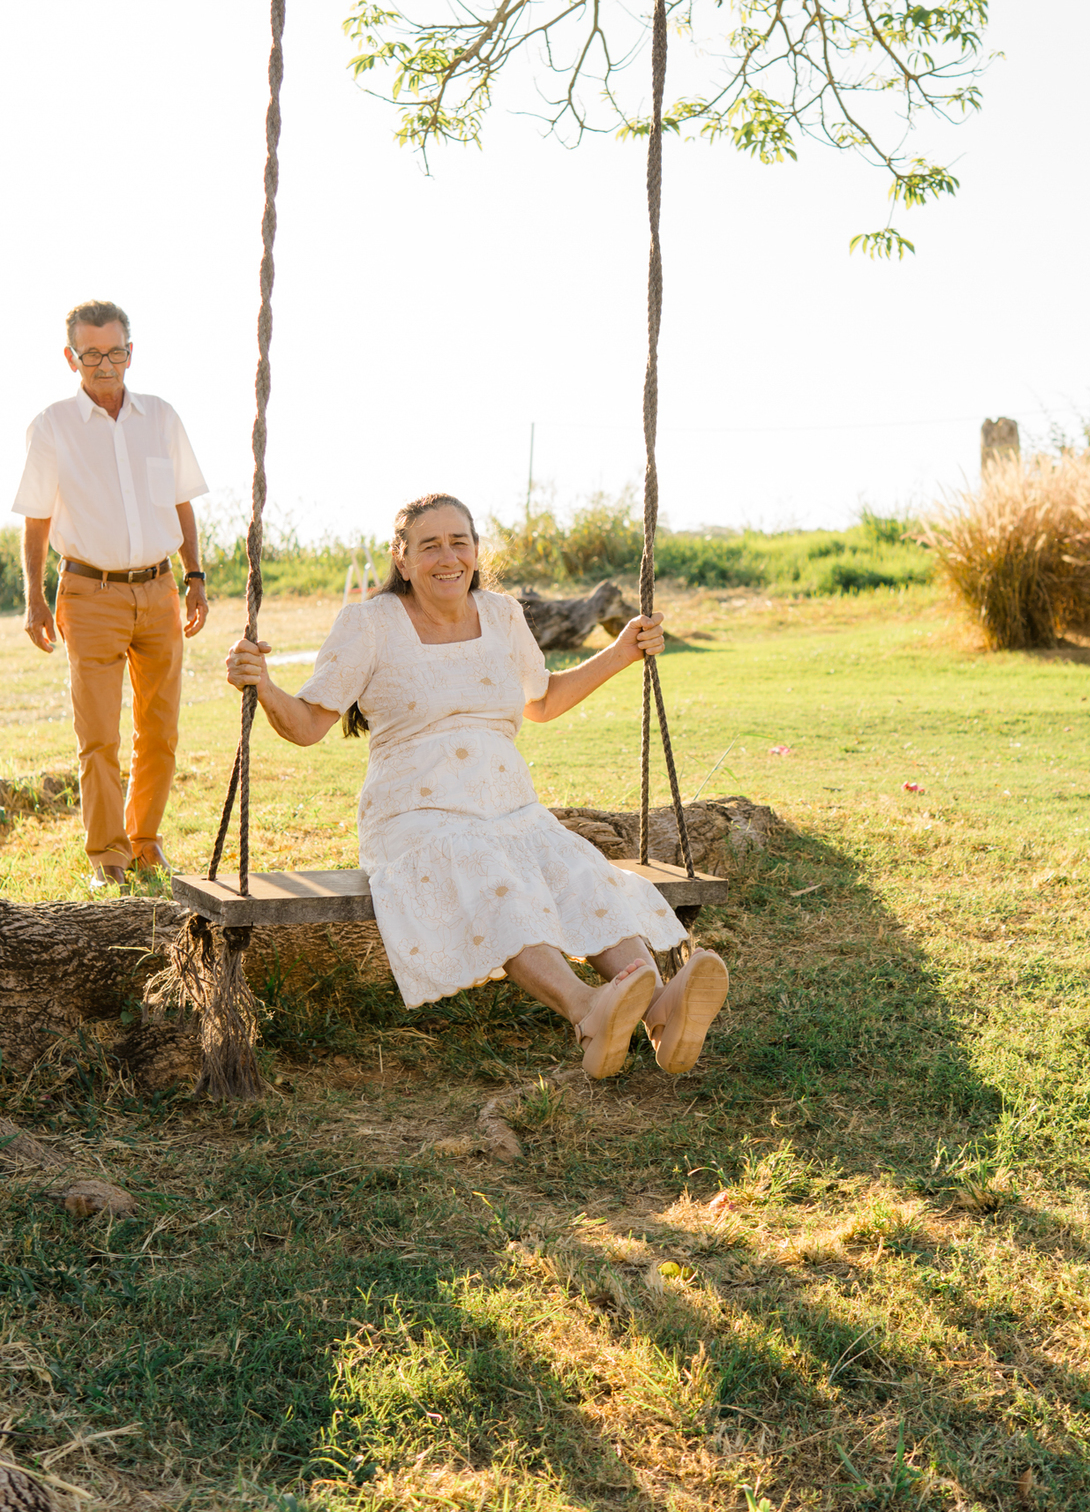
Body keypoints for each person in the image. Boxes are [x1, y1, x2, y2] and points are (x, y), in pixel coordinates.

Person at [225, 492, 729, 1078]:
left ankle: (662, 1008)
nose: (447, 557)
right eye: (429, 544)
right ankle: (587, 1009)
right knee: (487, 872)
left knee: (578, 868)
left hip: (510, 806)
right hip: (416, 814)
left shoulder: (502, 614)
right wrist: (261, 684)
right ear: (402, 557)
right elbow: (308, 724)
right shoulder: (369, 624)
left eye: (459, 541)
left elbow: (541, 700)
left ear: (476, 550)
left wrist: (620, 653)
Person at [13, 299, 210, 888]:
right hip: (88, 592)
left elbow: (181, 503)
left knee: (161, 729)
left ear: (131, 352)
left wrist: (194, 576)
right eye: (92, 353)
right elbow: (36, 521)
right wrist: (34, 596)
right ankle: (107, 856)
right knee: (98, 734)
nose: (105, 363)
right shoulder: (51, 426)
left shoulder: (161, 417)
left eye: (115, 351)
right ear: (70, 357)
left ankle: (145, 842)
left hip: (159, 590)